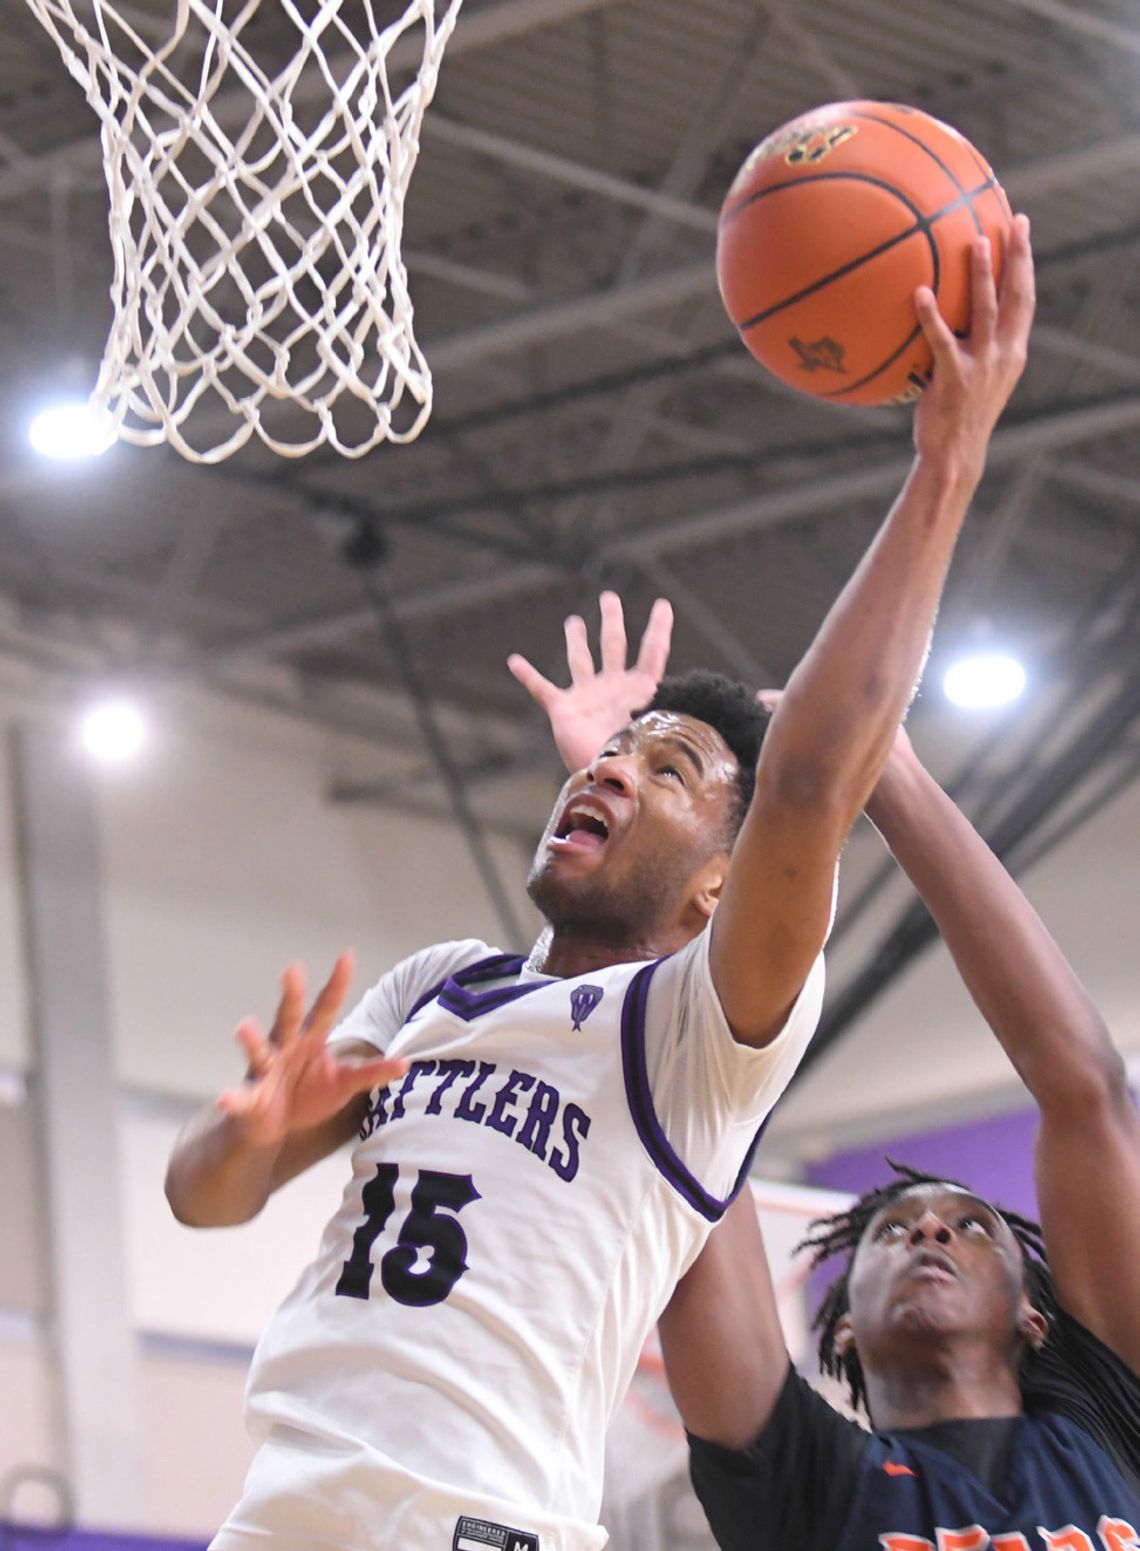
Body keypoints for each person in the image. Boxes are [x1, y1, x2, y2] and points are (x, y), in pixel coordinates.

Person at [164, 217, 1035, 1551]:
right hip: (277, 1515)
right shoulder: (437, 985)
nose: (615, 768)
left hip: (480, 1525)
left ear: (720, 885)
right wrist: (251, 1128)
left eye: (666, 765)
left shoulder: (698, 1038)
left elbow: (804, 781)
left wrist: (946, 464)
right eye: (609, 755)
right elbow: (200, 1197)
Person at [657, 722, 1140, 1551]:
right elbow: (691, 1143)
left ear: (1033, 1314)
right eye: (890, 1232)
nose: (929, 1228)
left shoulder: (1112, 1427)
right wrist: (652, 852)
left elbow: (1084, 1090)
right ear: (842, 1327)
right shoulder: (802, 1475)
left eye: (972, 1226)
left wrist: (893, 771)